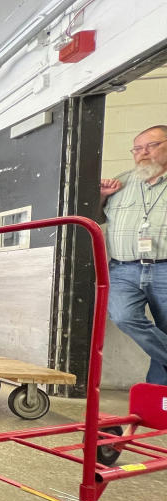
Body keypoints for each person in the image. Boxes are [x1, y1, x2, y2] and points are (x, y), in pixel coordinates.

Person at [100, 124, 167, 384]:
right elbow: (92, 217)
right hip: (124, 269)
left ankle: (157, 401)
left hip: (164, 267)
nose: (143, 153)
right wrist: (102, 196)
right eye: (137, 148)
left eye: (152, 146)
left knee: (164, 332)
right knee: (123, 316)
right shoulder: (121, 182)